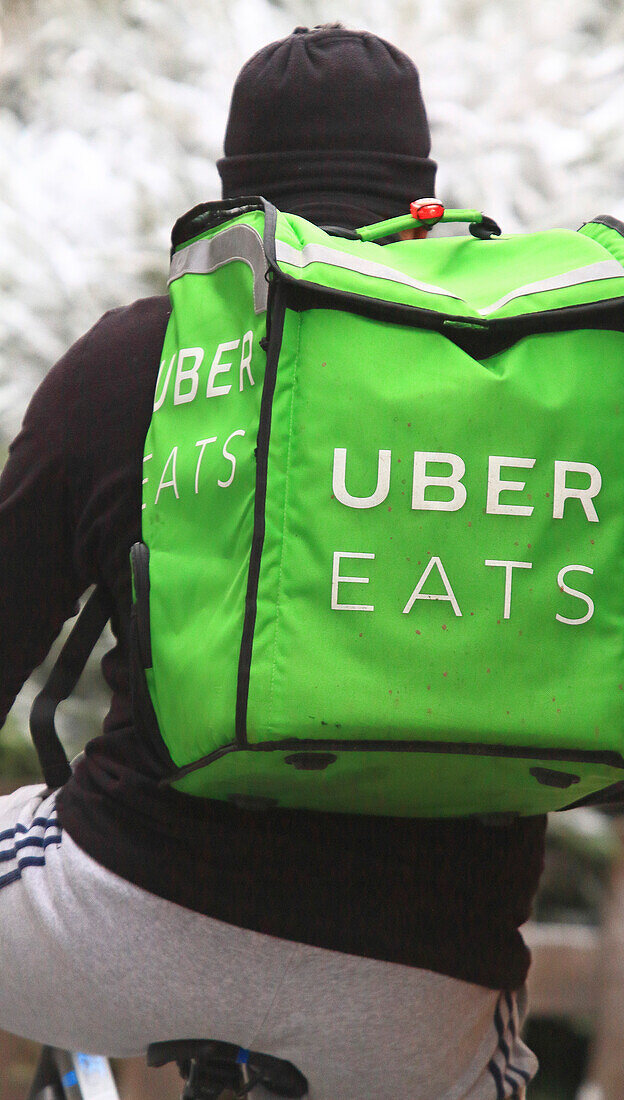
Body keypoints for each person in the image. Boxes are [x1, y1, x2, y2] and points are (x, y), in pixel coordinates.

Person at [0, 25, 544, 1099]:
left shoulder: (139, 355)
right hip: (420, 981)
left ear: (233, 191)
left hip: (131, 907)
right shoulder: (528, 379)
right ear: (421, 188)